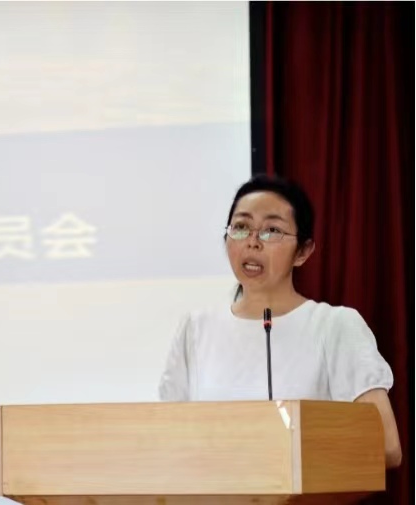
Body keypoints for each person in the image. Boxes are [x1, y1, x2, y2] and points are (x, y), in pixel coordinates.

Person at [158, 174, 402, 468]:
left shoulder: (335, 326)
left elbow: (385, 446)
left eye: (271, 230)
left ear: (303, 252)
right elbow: (166, 440)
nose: (252, 242)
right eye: (241, 227)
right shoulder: (195, 329)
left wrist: (292, 457)